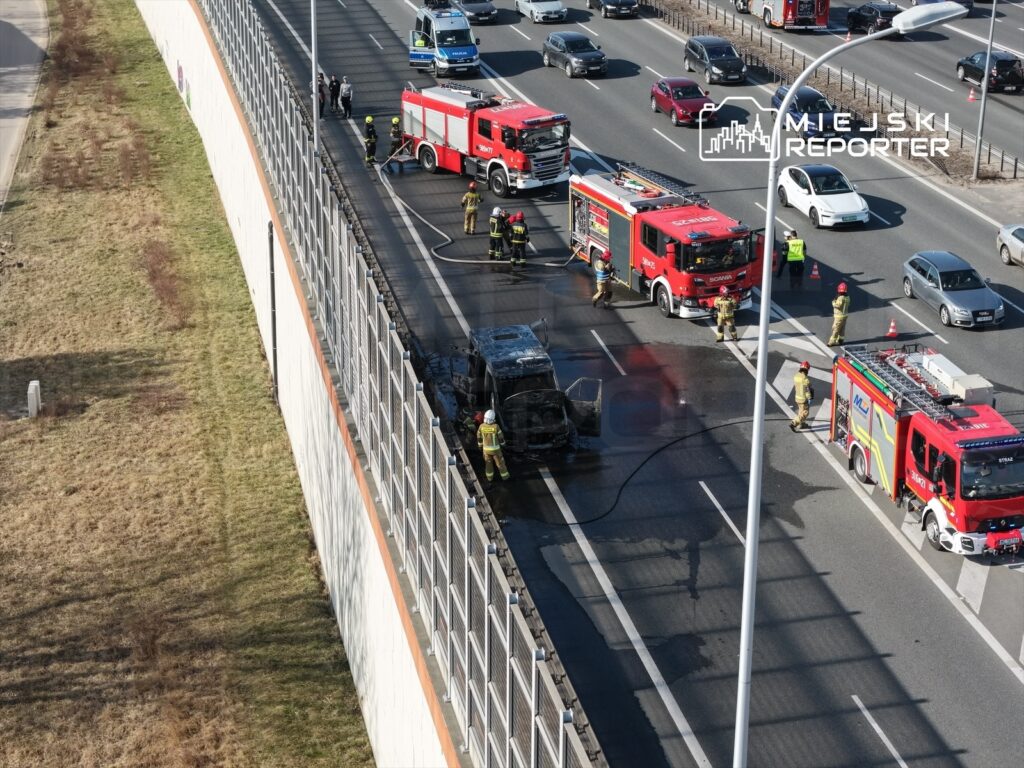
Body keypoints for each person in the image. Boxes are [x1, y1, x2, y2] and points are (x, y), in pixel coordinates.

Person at [477, 409, 510, 482]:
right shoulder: (496, 426)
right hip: (496, 450)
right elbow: (501, 438)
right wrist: (503, 445)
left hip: (486, 450)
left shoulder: (481, 426)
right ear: (493, 419)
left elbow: (479, 438)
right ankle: (505, 477)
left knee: (488, 464)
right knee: (500, 463)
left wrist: (480, 446)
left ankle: (489, 478)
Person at [790, 361, 814, 431]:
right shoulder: (806, 379)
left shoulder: (796, 376)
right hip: (803, 399)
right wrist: (810, 398)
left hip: (797, 397)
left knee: (801, 411)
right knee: (805, 412)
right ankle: (794, 423)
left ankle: (801, 425)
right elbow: (807, 391)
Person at [827, 281, 850, 347]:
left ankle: (831, 342)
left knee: (835, 329)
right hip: (845, 315)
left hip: (839, 316)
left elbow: (838, 305)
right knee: (842, 329)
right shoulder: (847, 297)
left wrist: (833, 302)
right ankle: (840, 340)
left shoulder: (840, 298)